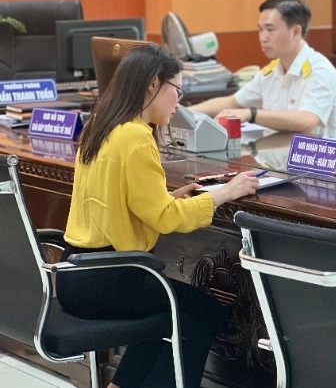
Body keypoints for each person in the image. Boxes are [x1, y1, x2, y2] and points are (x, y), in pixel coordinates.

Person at [57, 44, 261, 388]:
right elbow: (166, 220)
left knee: (169, 312)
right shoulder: (137, 137)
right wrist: (226, 192)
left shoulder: (101, 126)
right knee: (202, 313)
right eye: (177, 90)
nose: (178, 102)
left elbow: (119, 201)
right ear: (153, 84)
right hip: (111, 277)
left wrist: (169, 198)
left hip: (76, 273)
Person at [189, 0, 336, 140]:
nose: (263, 38)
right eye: (260, 29)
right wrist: (186, 112)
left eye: (270, 29)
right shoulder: (271, 72)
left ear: (295, 32)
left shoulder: (319, 70)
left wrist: (252, 114)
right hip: (280, 157)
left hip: (321, 160)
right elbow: (233, 102)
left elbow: (307, 121)